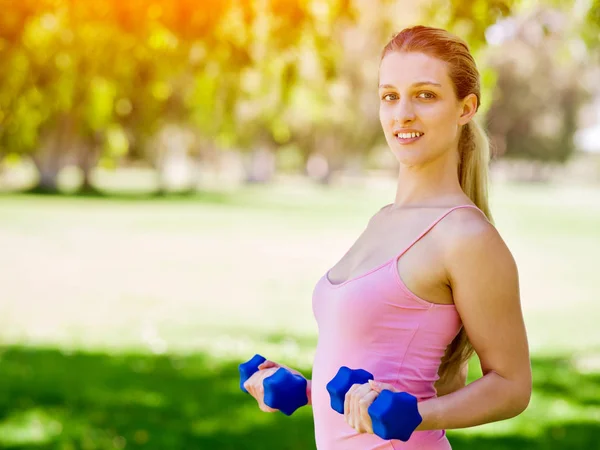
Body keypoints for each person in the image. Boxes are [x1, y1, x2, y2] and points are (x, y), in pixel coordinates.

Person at [243, 25, 532, 449]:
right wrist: (307, 390)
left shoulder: (466, 236)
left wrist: (416, 415)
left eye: (426, 95)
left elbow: (512, 386)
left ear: (465, 108)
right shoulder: (383, 220)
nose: (402, 114)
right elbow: (388, 363)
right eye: (390, 96)